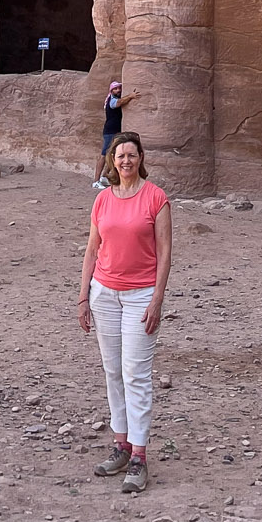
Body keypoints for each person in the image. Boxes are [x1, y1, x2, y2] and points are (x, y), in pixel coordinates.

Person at [77, 131, 171, 494]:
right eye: (120, 156)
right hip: (104, 293)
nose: (126, 161)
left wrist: (157, 299)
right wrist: (83, 296)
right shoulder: (103, 199)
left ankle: (140, 456)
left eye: (131, 155)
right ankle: (122, 444)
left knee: (136, 375)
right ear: (112, 161)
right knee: (113, 371)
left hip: (140, 296)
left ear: (141, 158)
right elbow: (92, 249)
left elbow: (165, 253)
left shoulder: (156, 198)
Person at [94, 80, 140, 188]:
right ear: (111, 91)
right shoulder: (112, 100)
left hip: (115, 131)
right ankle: (96, 181)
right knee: (104, 155)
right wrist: (131, 96)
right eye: (115, 89)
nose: (118, 90)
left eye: (119, 88)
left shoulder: (113, 98)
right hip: (110, 131)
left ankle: (104, 177)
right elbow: (118, 103)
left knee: (113, 155)